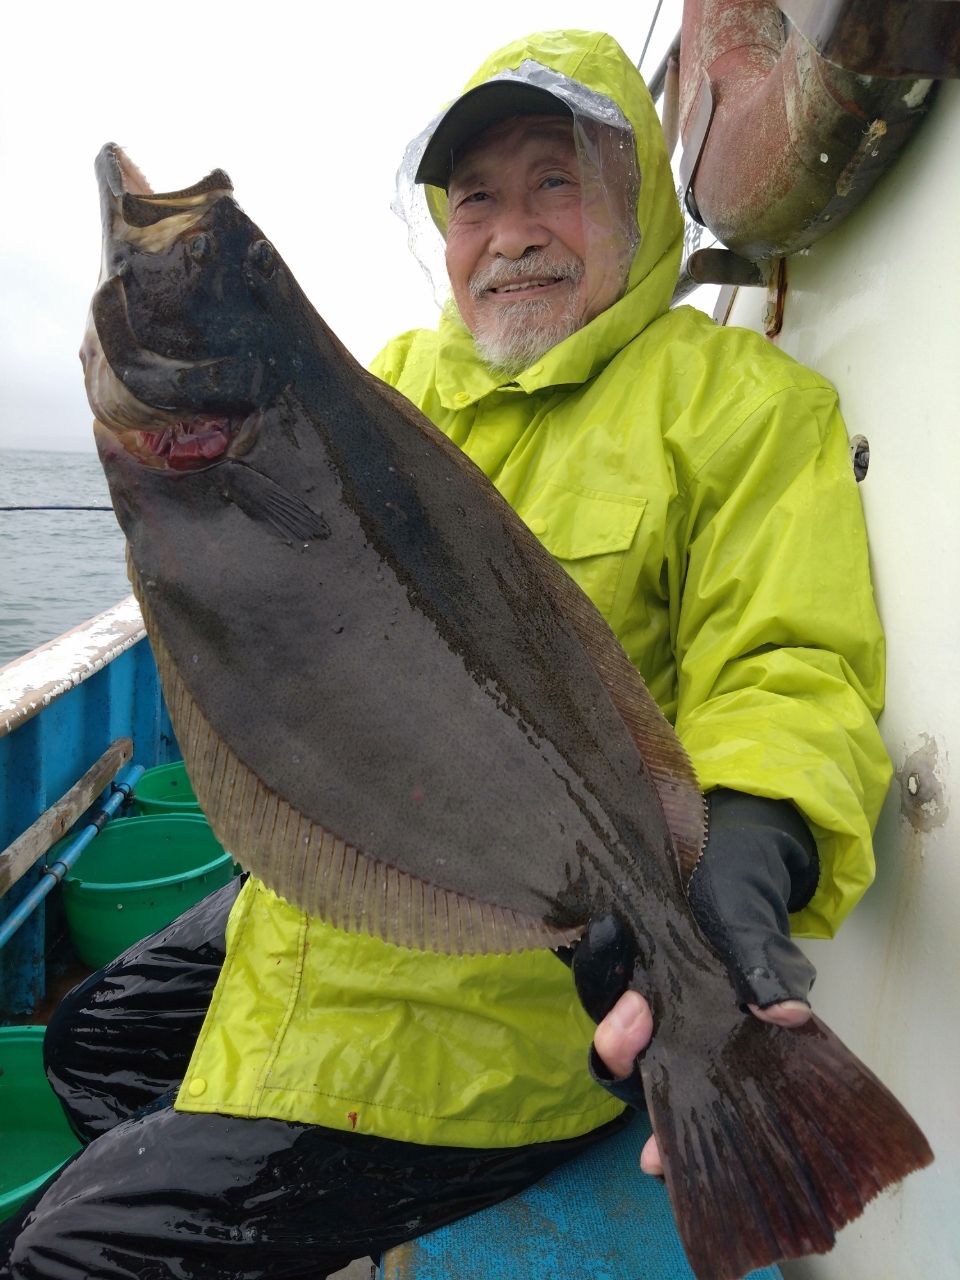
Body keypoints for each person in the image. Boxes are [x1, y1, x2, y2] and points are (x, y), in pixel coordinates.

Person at [0, 29, 890, 1280]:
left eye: (555, 183)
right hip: (328, 914)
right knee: (90, 1039)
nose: (512, 232)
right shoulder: (402, 379)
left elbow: (790, 664)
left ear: (633, 199)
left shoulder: (739, 406)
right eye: (477, 198)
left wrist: (751, 835)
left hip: (501, 1007)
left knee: (70, 1250)